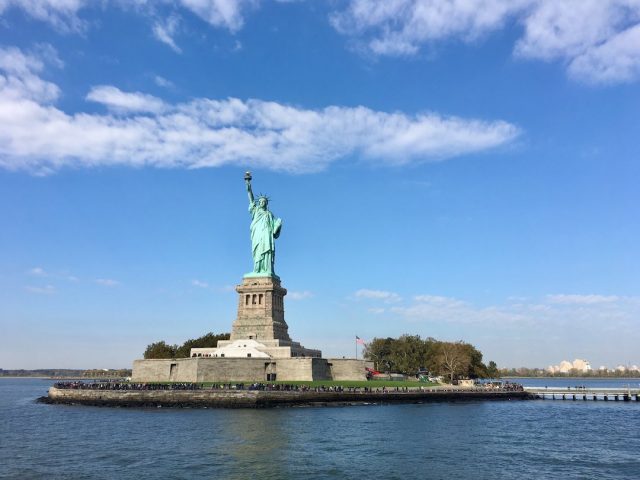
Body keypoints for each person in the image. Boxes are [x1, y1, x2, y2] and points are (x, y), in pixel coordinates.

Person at [245, 173, 282, 277]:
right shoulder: (255, 210)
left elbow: (275, 231)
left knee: (267, 250)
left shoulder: (269, 214)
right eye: (260, 201)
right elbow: (251, 198)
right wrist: (248, 184)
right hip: (257, 233)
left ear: (266, 203)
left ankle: (267, 269)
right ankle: (257, 270)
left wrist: (278, 225)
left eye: (264, 201)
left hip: (266, 235)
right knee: (257, 251)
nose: (261, 203)